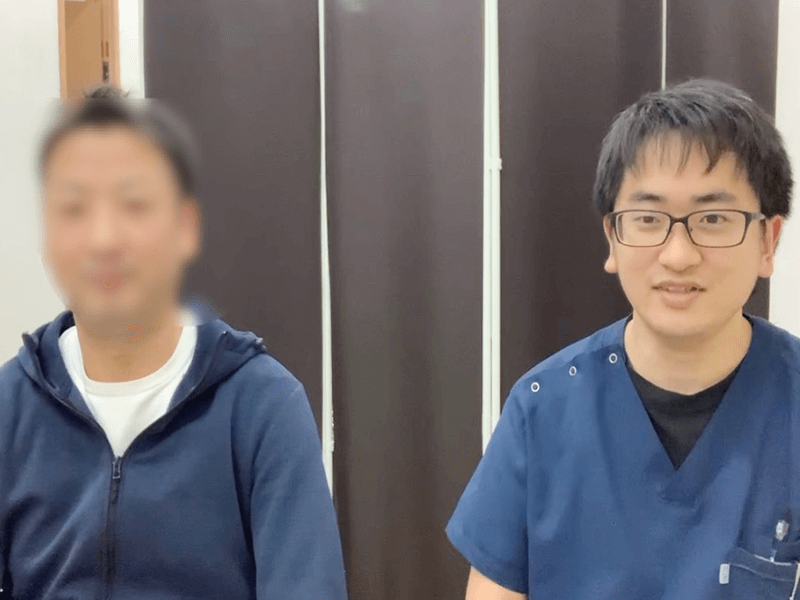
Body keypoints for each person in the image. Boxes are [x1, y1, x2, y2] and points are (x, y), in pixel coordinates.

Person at [447, 79, 797, 599]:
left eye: (713, 218)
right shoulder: (542, 411)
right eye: (649, 219)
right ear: (613, 237)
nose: (678, 255)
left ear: (768, 241)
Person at [0, 86, 348, 599]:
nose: (104, 239)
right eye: (74, 208)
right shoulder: (10, 407)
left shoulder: (262, 406)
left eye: (134, 204)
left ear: (184, 227)